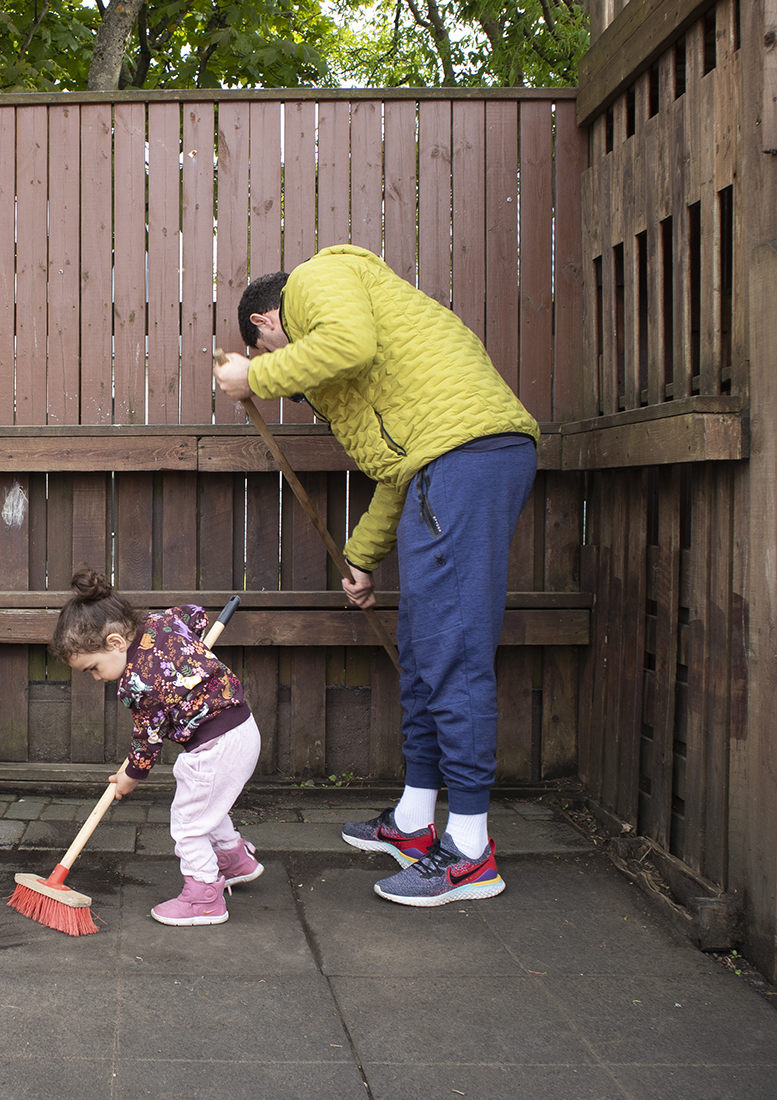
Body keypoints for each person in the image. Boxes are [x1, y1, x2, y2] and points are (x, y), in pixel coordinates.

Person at [213, 244, 537, 908]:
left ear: (268, 323)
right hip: (441, 467)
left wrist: (254, 379)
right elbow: (397, 474)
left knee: (452, 654)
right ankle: (416, 825)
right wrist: (362, 558)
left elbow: (348, 342)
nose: (282, 374)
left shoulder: (318, 279)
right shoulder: (363, 394)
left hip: (468, 458)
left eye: (268, 353)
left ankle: (471, 852)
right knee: (422, 653)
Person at [50, 567, 263, 926]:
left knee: (187, 823)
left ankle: (204, 898)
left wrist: (131, 776)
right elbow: (195, 614)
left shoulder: (139, 683)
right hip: (240, 729)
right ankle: (233, 859)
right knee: (206, 806)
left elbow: (148, 737)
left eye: (93, 668)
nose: (98, 677)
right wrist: (190, 643)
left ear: (116, 643)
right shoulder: (161, 621)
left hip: (215, 748)